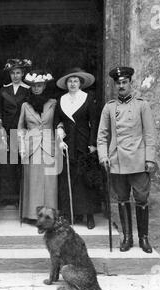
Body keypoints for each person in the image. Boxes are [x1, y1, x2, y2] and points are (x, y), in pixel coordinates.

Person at [97, 66, 157, 253]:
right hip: (117, 161)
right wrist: (103, 156)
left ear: (130, 83)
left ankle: (143, 239)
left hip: (139, 161)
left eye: (124, 82)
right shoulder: (109, 107)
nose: (121, 86)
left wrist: (150, 159)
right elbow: (102, 136)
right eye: (118, 83)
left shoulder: (142, 105)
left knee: (141, 199)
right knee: (122, 199)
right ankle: (127, 238)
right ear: (115, 85)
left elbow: (150, 134)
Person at [54, 68, 102, 229]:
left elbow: (94, 122)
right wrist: (60, 137)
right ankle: (70, 213)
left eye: (75, 81)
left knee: (85, 179)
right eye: (70, 81)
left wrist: (92, 144)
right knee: (69, 178)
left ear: (80, 83)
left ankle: (88, 215)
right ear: (66, 84)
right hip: (67, 145)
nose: (73, 83)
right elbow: (57, 121)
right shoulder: (61, 100)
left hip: (84, 143)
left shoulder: (88, 98)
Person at [17, 70, 58, 221]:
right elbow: (21, 127)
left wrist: (61, 135)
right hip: (31, 145)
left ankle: (49, 215)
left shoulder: (53, 103)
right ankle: (32, 215)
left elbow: (58, 123)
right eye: (33, 86)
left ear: (45, 86)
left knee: (49, 181)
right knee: (33, 181)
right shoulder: (25, 105)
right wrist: (21, 145)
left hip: (49, 144)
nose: (36, 88)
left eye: (39, 85)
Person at [0, 58, 32, 206]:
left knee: (20, 164)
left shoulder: (28, 89)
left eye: (18, 73)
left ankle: (20, 197)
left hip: (22, 131)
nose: (15, 76)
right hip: (7, 131)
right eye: (13, 73)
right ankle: (7, 197)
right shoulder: (4, 89)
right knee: (6, 164)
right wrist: (0, 126)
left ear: (23, 73)